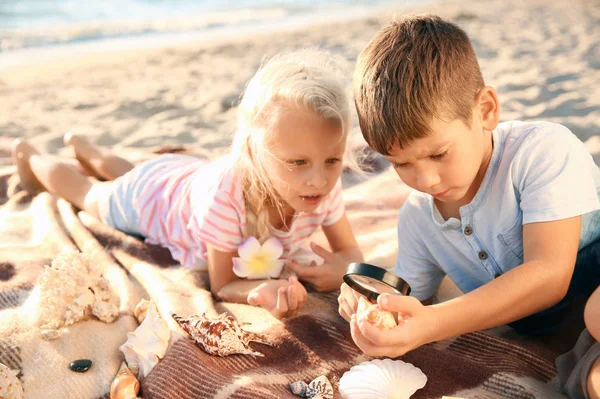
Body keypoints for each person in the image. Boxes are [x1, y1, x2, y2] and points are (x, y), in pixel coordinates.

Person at [11, 50, 363, 319]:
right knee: (88, 192)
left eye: (332, 161)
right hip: (151, 199)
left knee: (133, 172)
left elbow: (351, 254)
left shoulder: (323, 186)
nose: (319, 179)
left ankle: (87, 149)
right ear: (255, 152)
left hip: (181, 176)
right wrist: (263, 291)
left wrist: (345, 271)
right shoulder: (229, 198)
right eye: (297, 162)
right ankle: (33, 157)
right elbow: (222, 284)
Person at [337, 14, 600, 360]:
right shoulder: (418, 218)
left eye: (439, 154)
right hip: (575, 347)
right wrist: (374, 304)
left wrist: (433, 322)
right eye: (400, 164)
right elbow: (411, 300)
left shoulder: (541, 152)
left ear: (486, 110)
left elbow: (549, 275)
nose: (426, 181)